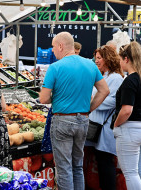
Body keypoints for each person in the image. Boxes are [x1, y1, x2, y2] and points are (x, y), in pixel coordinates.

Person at [39, 31, 109, 190]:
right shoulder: (90, 64)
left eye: (53, 47)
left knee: (64, 169)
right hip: (83, 121)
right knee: (77, 166)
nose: (52, 51)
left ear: (61, 46)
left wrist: (55, 98)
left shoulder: (55, 67)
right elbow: (104, 90)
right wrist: (88, 109)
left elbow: (43, 99)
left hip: (62, 121)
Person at [86, 45, 124, 190]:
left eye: (99, 58)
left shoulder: (115, 78)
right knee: (102, 164)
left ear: (108, 59)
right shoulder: (104, 76)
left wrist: (92, 101)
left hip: (106, 129)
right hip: (99, 127)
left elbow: (112, 102)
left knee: (106, 164)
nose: (96, 61)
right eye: (96, 58)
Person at [113, 42, 141, 189]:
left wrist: (116, 124)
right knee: (136, 172)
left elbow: (126, 110)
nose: (119, 62)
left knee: (130, 173)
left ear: (126, 59)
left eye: (120, 59)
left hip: (129, 128)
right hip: (139, 127)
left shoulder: (131, 80)